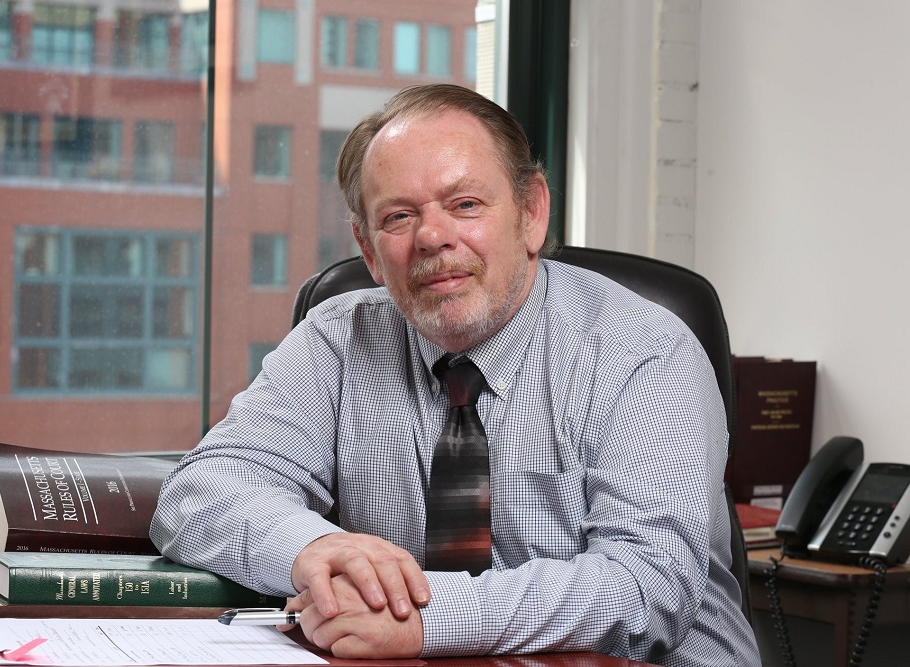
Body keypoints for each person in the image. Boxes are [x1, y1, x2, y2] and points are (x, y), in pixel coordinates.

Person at [150, 83, 760, 666]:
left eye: (465, 205)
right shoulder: (338, 337)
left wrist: (427, 621)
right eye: (398, 217)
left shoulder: (643, 350)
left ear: (531, 214)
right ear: (368, 251)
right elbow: (200, 491)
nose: (433, 237)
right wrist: (312, 548)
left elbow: (643, 591)